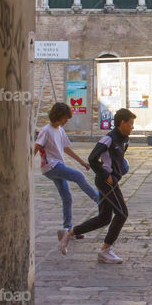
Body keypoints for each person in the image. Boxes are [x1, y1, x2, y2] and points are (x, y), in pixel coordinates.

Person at [58, 108, 136, 263]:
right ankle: (105, 251)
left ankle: (70, 233)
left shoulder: (125, 140)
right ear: (122, 123)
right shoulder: (108, 138)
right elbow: (93, 158)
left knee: (104, 218)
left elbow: (117, 159)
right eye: (131, 123)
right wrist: (106, 175)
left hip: (112, 181)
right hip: (106, 182)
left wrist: (120, 169)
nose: (133, 127)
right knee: (122, 214)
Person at [34, 102, 99, 243]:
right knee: (78, 176)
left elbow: (66, 148)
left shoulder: (60, 130)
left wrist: (81, 161)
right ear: (58, 115)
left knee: (67, 196)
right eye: (65, 117)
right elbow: (37, 147)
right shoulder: (46, 130)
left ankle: (67, 230)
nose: (66, 120)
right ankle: (99, 200)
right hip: (51, 166)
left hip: (57, 165)